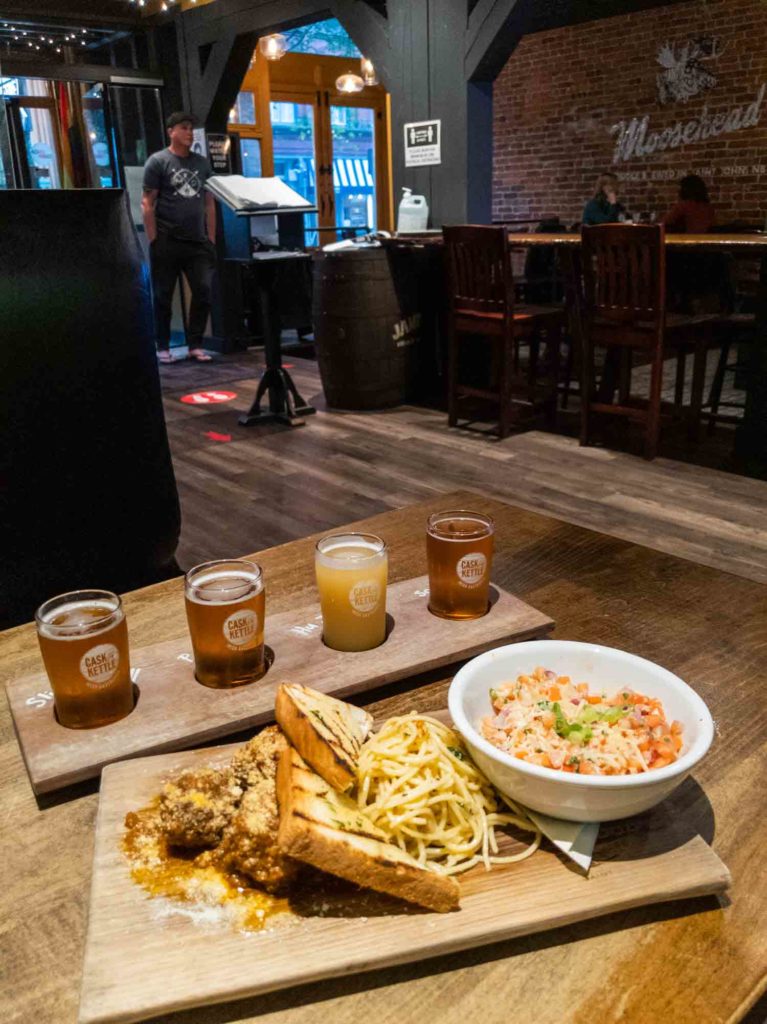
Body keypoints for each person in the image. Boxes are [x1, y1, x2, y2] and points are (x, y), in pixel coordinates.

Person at [142, 112, 216, 363]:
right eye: (184, 128)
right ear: (171, 131)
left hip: (197, 242)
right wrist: (153, 238)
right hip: (167, 240)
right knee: (163, 295)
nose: (189, 132)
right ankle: (162, 346)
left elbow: (209, 203)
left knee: (204, 290)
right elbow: (147, 202)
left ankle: (195, 344)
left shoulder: (202, 163)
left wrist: (211, 237)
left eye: (191, 128)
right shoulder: (158, 161)